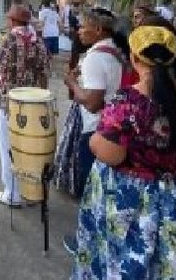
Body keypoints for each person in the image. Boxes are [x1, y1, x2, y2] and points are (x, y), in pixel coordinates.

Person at [72, 25, 176, 278]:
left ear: (134, 58)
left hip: (129, 199)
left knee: (121, 262)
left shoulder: (127, 103)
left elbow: (112, 154)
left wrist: (93, 142)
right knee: (172, 263)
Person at [61, 10, 125, 208]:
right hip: (109, 123)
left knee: (92, 190)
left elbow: (92, 103)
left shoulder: (95, 58)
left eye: (82, 26)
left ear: (98, 29)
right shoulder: (114, 50)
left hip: (94, 128)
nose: (78, 31)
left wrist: (72, 83)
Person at [0, 5, 49, 207]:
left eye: (9, 19)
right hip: (34, 104)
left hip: (10, 104)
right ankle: (31, 192)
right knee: (29, 149)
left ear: (13, 21)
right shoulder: (37, 40)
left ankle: (12, 194)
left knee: (8, 148)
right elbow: (45, 71)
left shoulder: (9, 39)